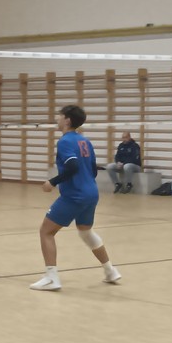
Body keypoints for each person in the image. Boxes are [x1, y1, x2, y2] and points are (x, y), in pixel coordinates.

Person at [31, 105, 121, 291]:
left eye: (60, 116)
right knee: (85, 231)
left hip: (75, 195)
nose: (57, 119)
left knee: (46, 231)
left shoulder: (65, 141)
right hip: (91, 193)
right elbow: (93, 169)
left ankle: (51, 278)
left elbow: (72, 167)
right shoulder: (85, 141)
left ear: (67, 120)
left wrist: (53, 182)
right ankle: (110, 270)